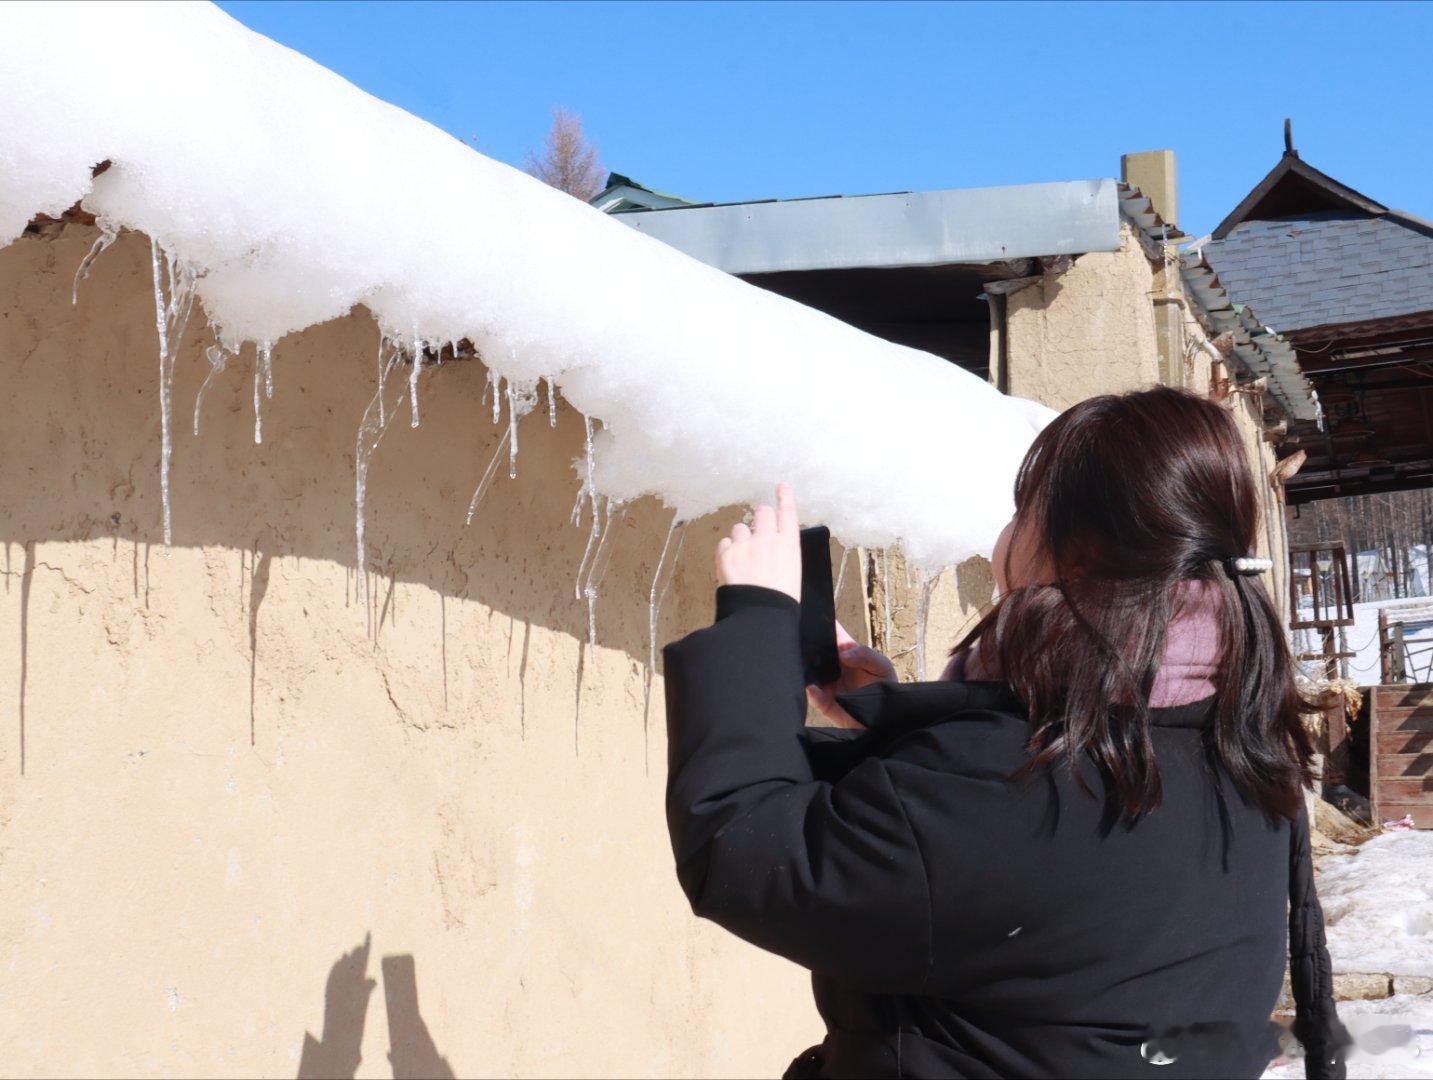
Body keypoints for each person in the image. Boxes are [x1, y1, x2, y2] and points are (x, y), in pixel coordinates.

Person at [661, 387, 1349, 1079]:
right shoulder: (1241, 748)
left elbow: (743, 853)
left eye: (1025, 511)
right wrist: (898, 719)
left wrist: (755, 618)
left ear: (1072, 553)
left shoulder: (1001, 783)